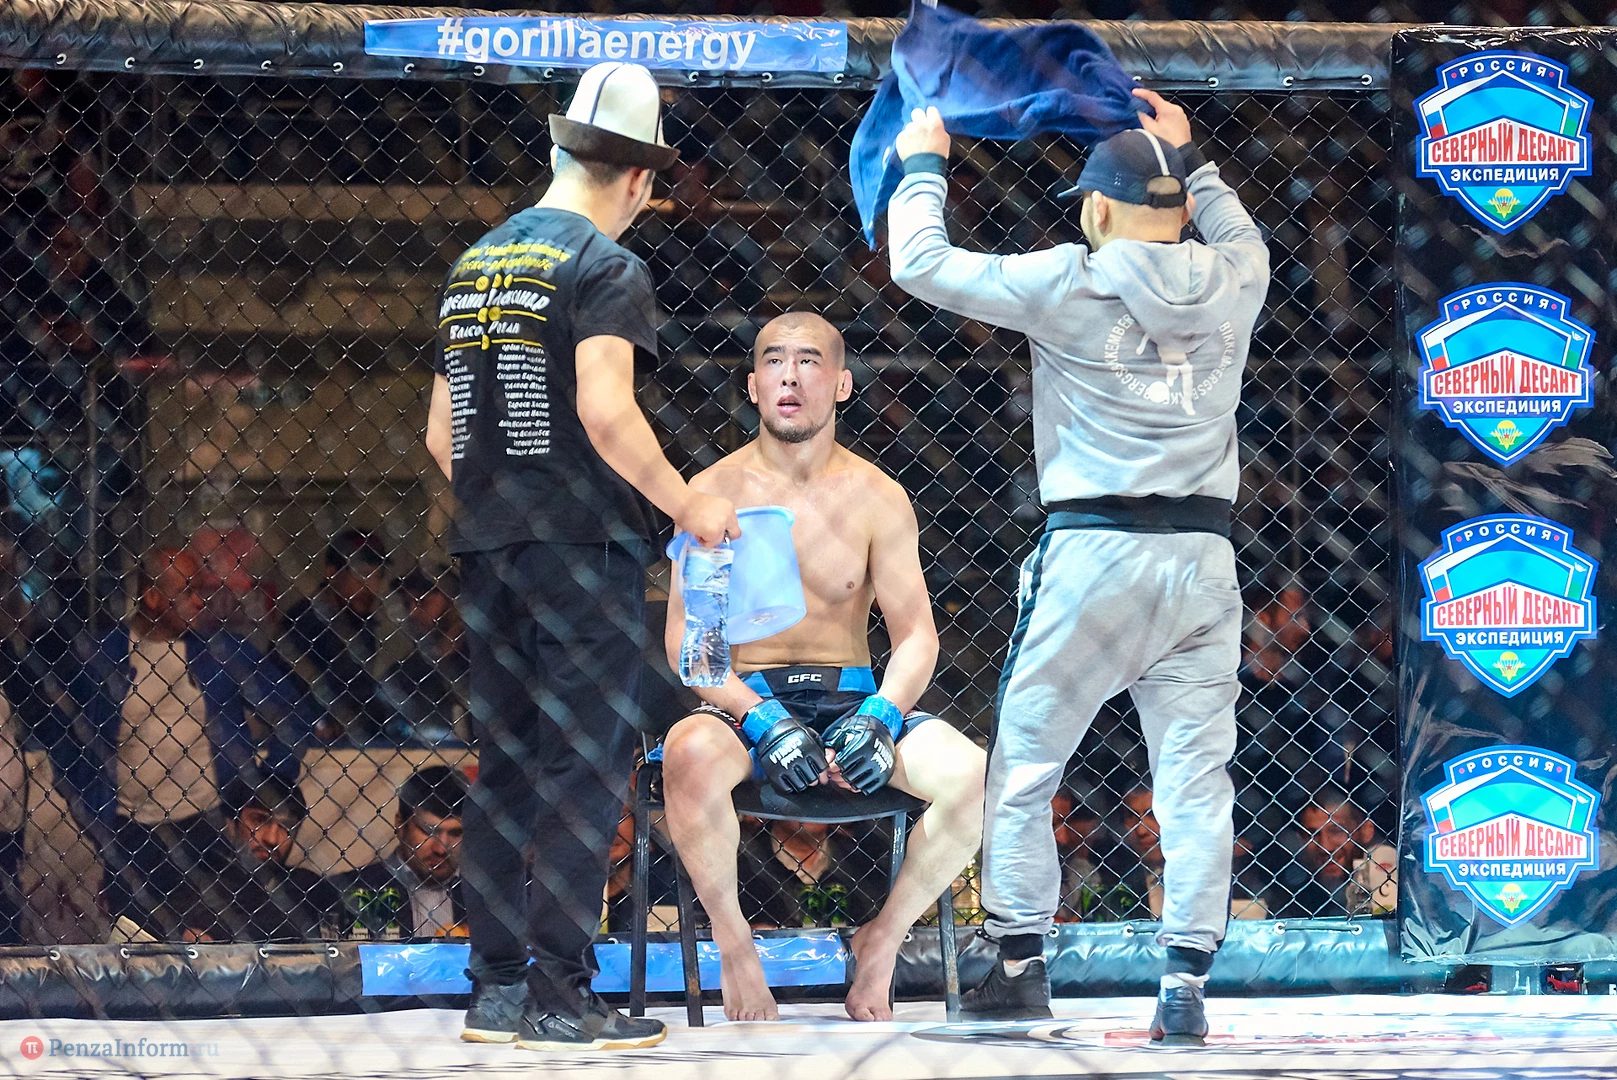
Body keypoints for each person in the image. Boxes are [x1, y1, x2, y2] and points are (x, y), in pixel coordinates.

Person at [888, 90, 1269, 1044]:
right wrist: (1192, 160)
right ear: (1178, 210)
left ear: (1096, 209)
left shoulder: (1070, 278)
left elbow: (918, 263)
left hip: (1095, 552)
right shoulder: (1238, 275)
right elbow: (1232, 227)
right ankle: (1183, 985)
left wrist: (923, 165)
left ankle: (1020, 967)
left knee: (1024, 764)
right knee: (1195, 779)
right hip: (1202, 559)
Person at [424, 61, 738, 1052]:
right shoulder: (606, 266)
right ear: (639, 178)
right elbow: (607, 411)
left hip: (489, 545)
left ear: (559, 149)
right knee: (582, 767)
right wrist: (689, 504)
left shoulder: (476, 264)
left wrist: (505, 500)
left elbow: (441, 434)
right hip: (580, 549)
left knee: (506, 763)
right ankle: (563, 996)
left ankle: (496, 992)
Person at [659, 311, 986, 1023]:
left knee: (970, 775)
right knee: (687, 754)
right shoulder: (710, 492)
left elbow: (916, 636)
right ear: (752, 384)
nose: (790, 376)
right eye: (774, 361)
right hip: (745, 701)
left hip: (852, 698)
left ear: (840, 385)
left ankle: (881, 940)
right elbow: (691, 644)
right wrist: (762, 719)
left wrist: (881, 716)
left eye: (809, 361)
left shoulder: (877, 496)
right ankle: (734, 945)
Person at [45, 548, 321, 938]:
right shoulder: (101, 654)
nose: (199, 601)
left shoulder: (221, 651)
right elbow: (63, 737)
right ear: (152, 596)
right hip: (131, 828)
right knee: (139, 938)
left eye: (201, 590)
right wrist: (91, 807)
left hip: (208, 820)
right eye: (187, 591)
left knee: (217, 934)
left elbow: (292, 713)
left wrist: (265, 787)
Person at [170, 772, 336, 943]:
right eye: (259, 820)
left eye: (286, 826)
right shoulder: (196, 888)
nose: (272, 839)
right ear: (231, 824)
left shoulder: (311, 889)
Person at [330, 766, 467, 940]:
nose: (441, 849)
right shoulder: (353, 889)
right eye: (428, 831)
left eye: (456, 833)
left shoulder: (483, 894)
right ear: (400, 824)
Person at [281, 529, 390, 742]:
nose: (369, 586)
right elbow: (284, 688)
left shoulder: (361, 624)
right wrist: (320, 723)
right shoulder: (305, 623)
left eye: (377, 576)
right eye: (360, 574)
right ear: (332, 573)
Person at [376, 569, 466, 746]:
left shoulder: (479, 660)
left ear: (453, 602)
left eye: (422, 602)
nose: (412, 613)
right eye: (407, 604)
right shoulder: (408, 673)